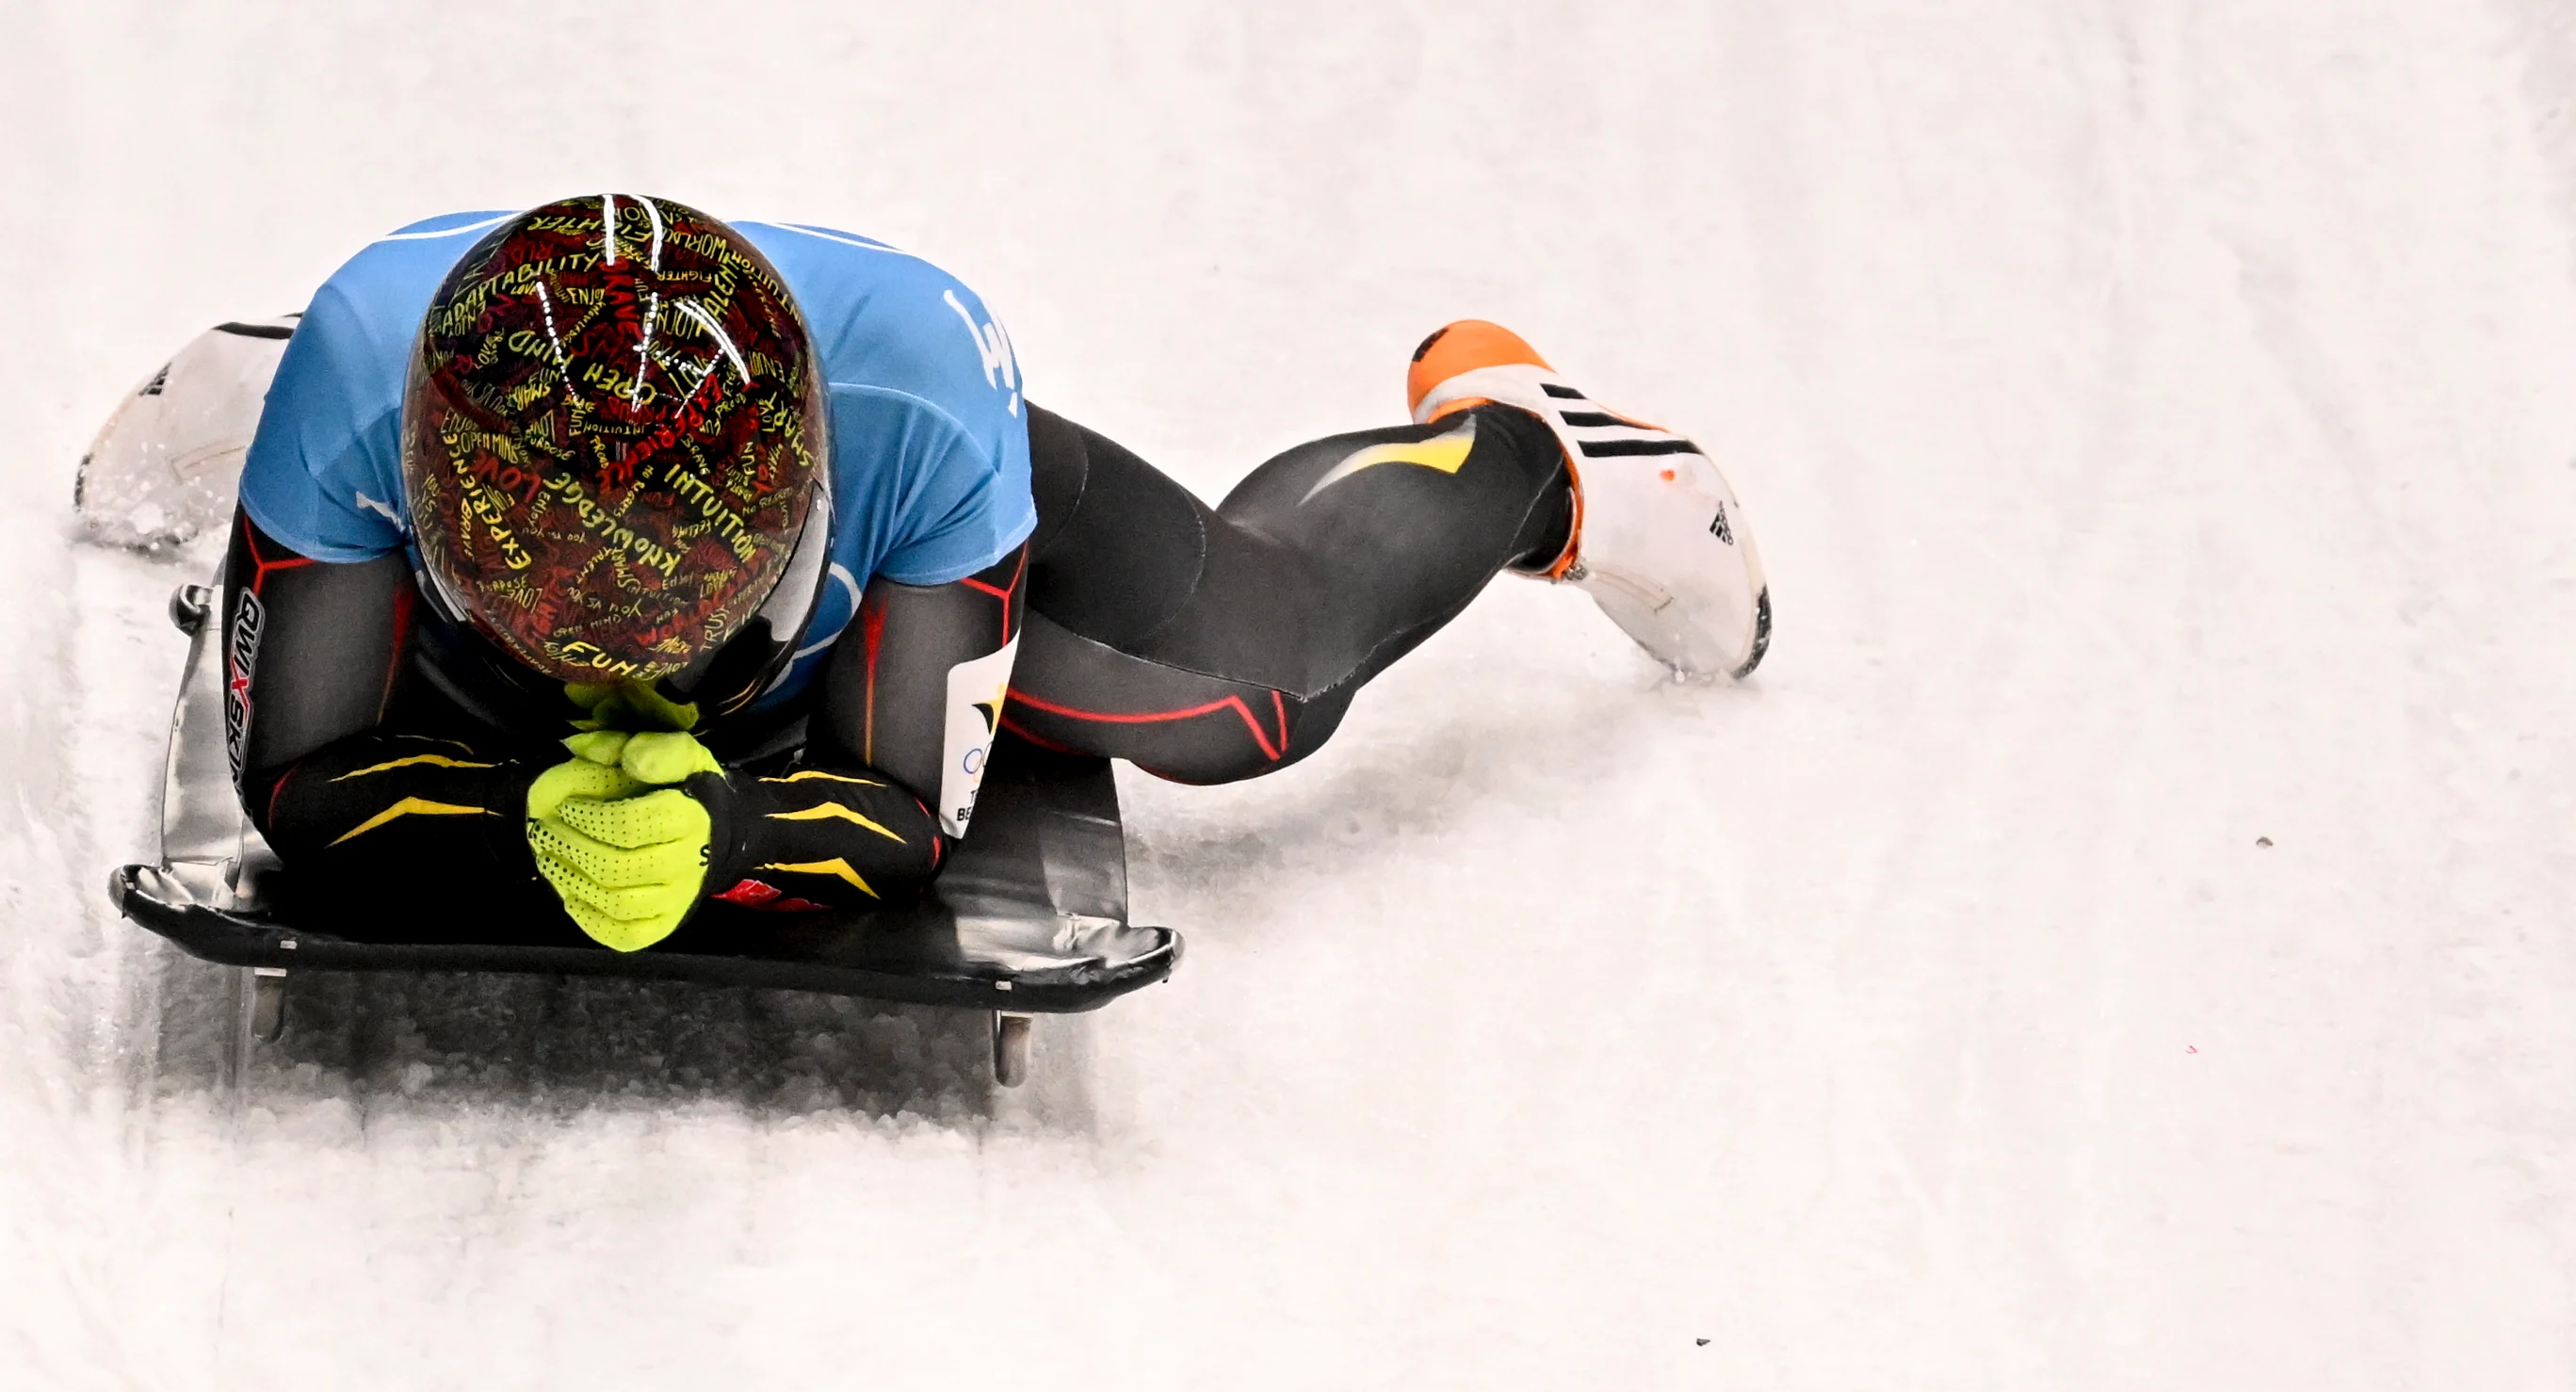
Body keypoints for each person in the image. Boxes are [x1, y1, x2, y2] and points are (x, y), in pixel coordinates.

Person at [224, 195, 1768, 951]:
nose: (619, 672)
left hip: (879, 508)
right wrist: (527, 815)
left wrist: (714, 826)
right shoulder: (367, 361)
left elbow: (898, 814)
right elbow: (294, 781)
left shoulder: (918, 413)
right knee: (342, 479)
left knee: (1257, 696)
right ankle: (261, 428)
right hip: (403, 447)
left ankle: (1525, 451)